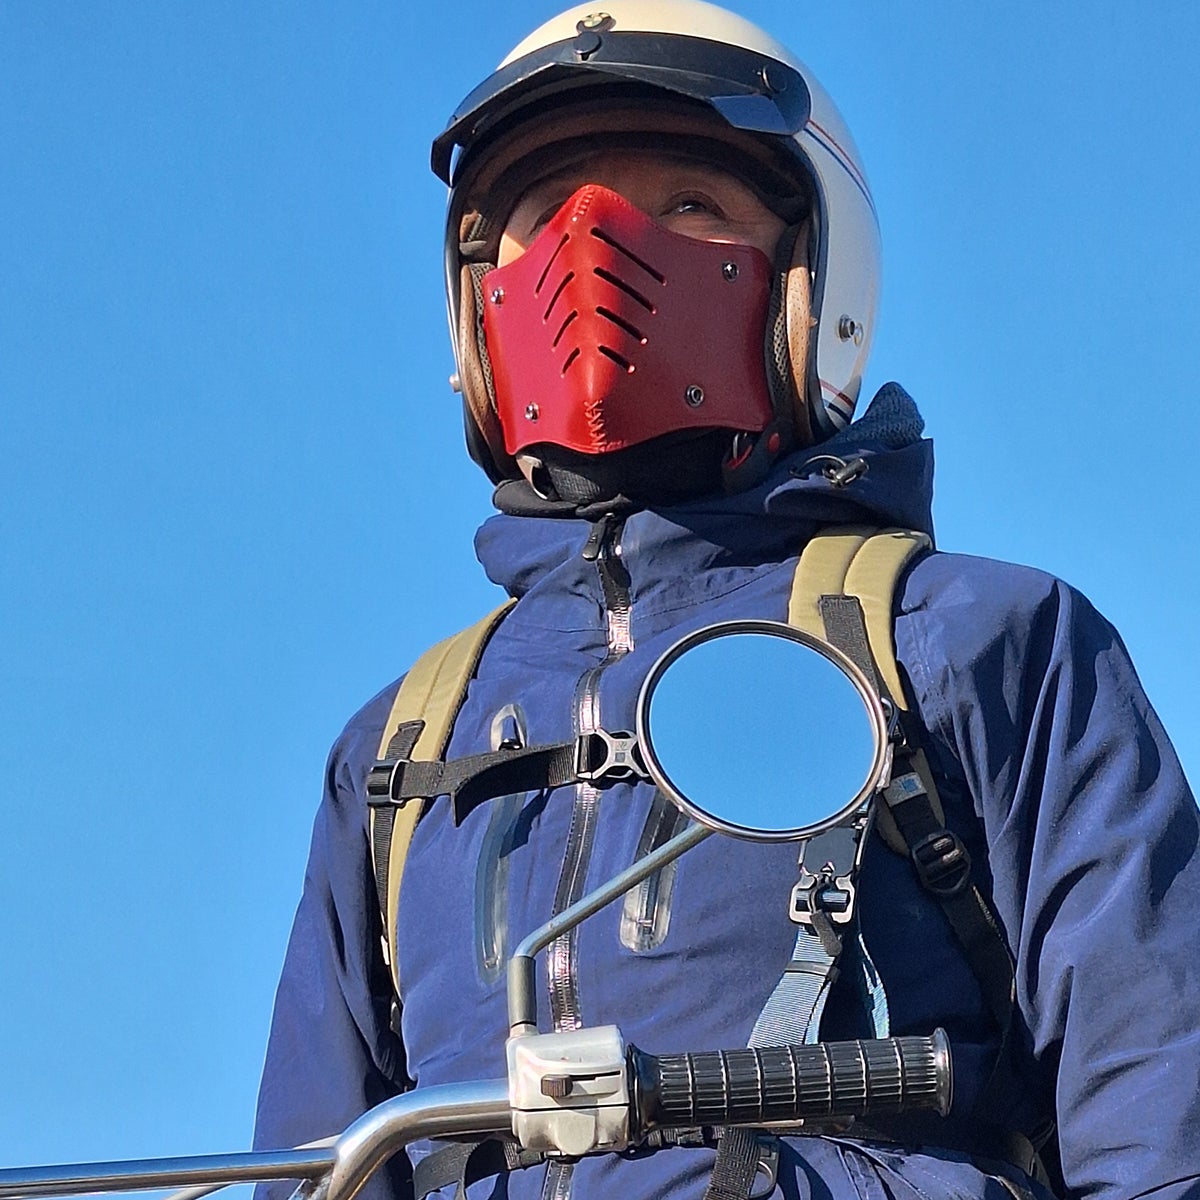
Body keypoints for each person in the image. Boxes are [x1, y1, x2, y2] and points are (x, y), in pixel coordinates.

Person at [253, 4, 1200, 1200]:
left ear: (814, 279)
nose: (594, 260)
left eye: (690, 205)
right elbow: (312, 1172)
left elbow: (1161, 1108)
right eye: (544, 221)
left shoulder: (979, 644)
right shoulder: (398, 751)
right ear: (477, 308)